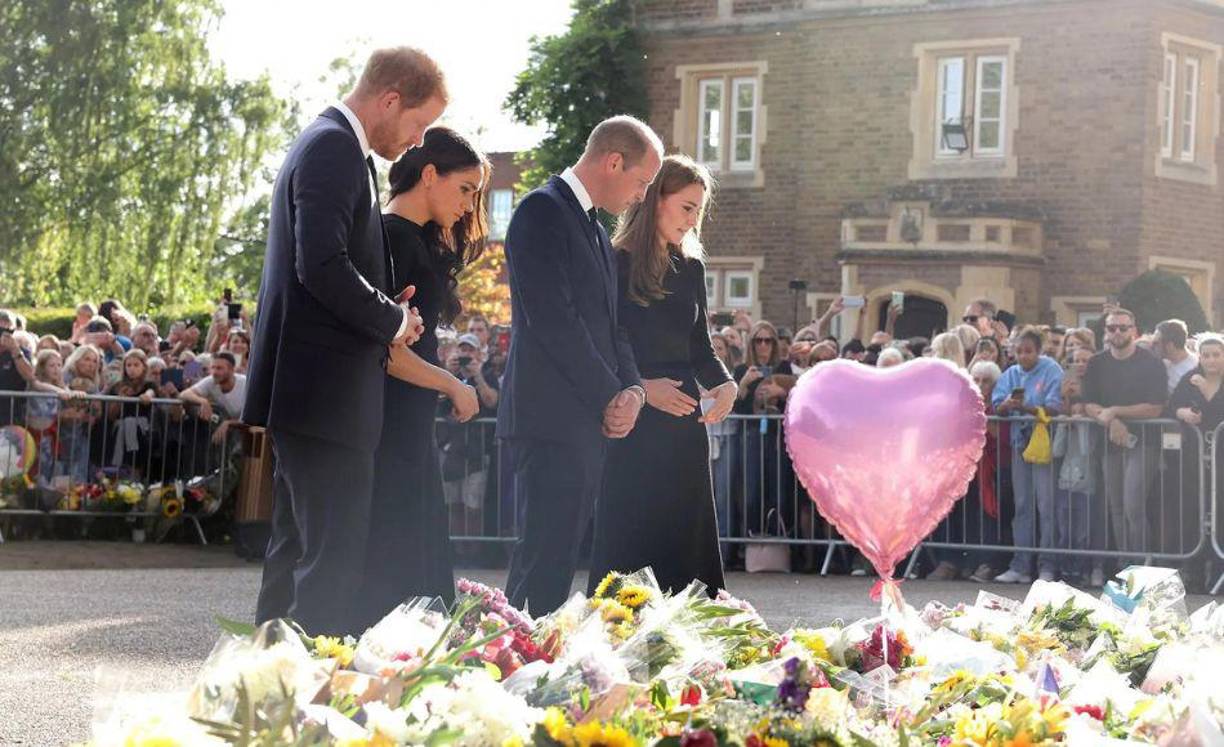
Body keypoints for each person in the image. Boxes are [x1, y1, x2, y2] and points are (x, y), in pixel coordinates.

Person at [246, 47, 442, 635]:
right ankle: (305, 709)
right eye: (419, 124)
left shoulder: (331, 143)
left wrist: (388, 300)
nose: (417, 141)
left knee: (294, 557)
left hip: (313, 393)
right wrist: (393, 320)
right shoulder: (334, 146)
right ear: (389, 100)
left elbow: (331, 265)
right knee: (329, 566)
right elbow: (322, 266)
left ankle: (266, 694)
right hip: (325, 396)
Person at [498, 115, 661, 614]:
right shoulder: (541, 212)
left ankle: (534, 662)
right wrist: (609, 393)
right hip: (550, 418)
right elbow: (554, 321)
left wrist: (632, 388)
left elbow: (613, 327)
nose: (640, 196)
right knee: (541, 559)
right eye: (641, 182)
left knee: (559, 558)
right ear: (613, 161)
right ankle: (512, 663)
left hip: (583, 421)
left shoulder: (593, 227)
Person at [587, 155, 735, 596]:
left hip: (685, 425)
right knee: (631, 529)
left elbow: (699, 346)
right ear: (655, 200)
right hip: (635, 418)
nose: (693, 221)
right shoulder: (615, 261)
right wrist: (642, 388)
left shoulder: (692, 268)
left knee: (686, 533)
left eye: (698, 211)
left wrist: (725, 382)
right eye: (687, 207)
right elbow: (610, 338)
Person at [1081, 308, 1167, 556]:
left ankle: (1141, 566)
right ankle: (1124, 564)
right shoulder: (1097, 363)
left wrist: (1115, 411)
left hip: (1144, 443)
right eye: (1111, 328)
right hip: (1110, 442)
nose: (1117, 332)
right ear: (1105, 332)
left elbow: (1155, 407)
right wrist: (1111, 421)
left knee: (1133, 506)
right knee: (1117, 507)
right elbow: (1089, 403)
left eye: (1122, 327)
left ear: (1134, 330)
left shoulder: (1151, 362)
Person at [991, 327, 1064, 583]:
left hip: (1044, 445)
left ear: (1039, 350)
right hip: (1018, 444)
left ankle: (1047, 565)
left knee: (1046, 506)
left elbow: (1055, 407)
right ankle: (1021, 565)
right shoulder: (1010, 373)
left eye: (1028, 351)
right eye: (1018, 351)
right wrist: (1006, 406)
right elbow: (997, 406)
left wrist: (1026, 407)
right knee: (1022, 506)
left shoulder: (1052, 370)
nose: (1023, 356)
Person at [1166, 335, 1223, 591]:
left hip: (1221, 458)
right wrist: (1183, 413)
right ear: (1199, 357)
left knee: (1220, 513)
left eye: (1216, 354)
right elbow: (1171, 406)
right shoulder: (1189, 378)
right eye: (1206, 355)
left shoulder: (1205, 382)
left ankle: (1218, 572)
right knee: (1194, 513)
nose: (1211, 360)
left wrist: (1207, 389)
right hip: (1195, 459)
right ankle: (1195, 573)